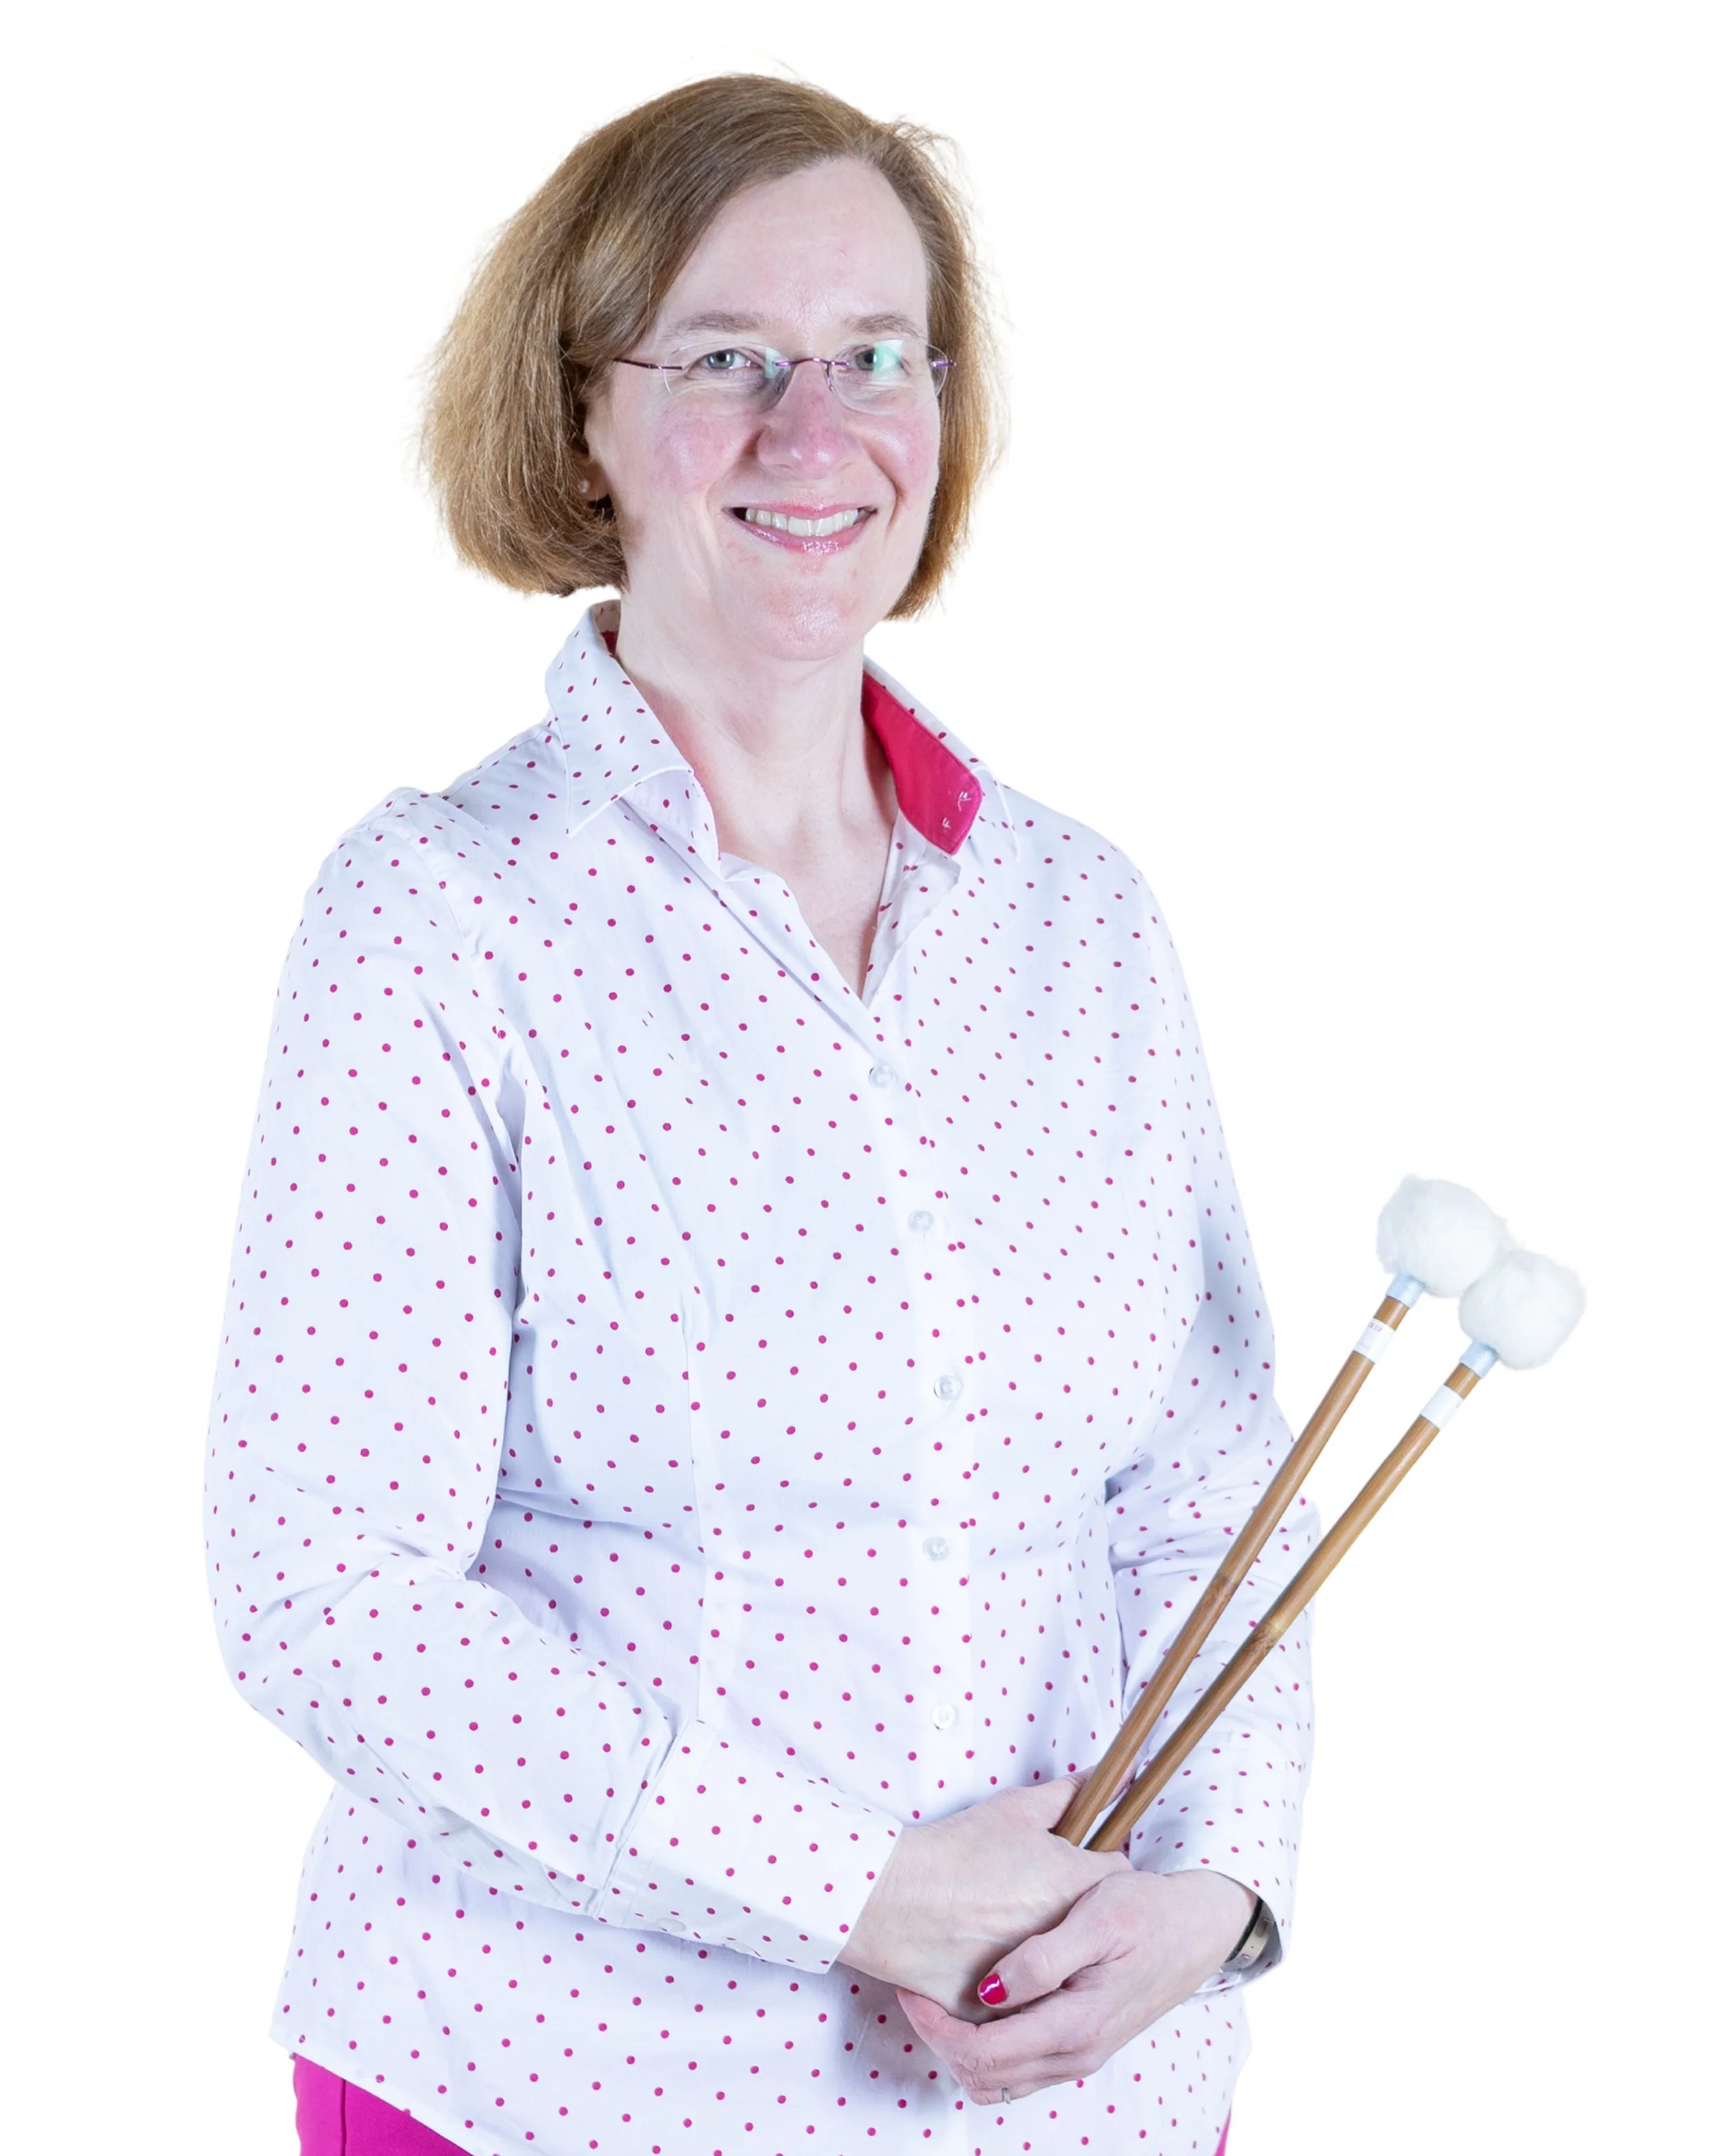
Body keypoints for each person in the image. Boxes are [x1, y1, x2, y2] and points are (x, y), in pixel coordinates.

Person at [204, 74, 1315, 2156]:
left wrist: (1220, 1895)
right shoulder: (443, 919)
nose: (819, 433)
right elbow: (328, 1587)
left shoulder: (1079, 920)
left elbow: (1203, 1488)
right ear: (581, 421)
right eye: (727, 361)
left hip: (1075, 2107)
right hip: (561, 2080)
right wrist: (849, 1884)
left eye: (876, 356)